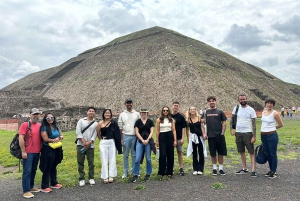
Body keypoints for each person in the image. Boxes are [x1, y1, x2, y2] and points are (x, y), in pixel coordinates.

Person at [230, 95, 257, 177]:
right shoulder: (236, 108)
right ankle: (244, 168)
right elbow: (232, 118)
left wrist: (254, 136)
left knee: (251, 152)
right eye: (241, 99)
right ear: (238, 100)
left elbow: (254, 124)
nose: (242, 100)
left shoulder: (251, 110)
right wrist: (231, 129)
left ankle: (253, 170)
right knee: (241, 151)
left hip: (248, 133)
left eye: (244, 99)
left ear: (246, 99)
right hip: (238, 132)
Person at [19, 108, 42, 198]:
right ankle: (26, 190)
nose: (35, 116)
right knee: (27, 171)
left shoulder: (39, 125)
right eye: (34, 114)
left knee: (33, 170)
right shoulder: (25, 125)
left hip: (37, 152)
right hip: (28, 152)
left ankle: (31, 187)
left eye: (37, 114)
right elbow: (21, 138)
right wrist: (23, 151)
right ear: (30, 115)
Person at [39, 113, 64, 193]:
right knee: (48, 166)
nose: (50, 119)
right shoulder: (44, 127)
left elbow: (61, 135)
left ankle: (54, 182)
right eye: (48, 118)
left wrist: (60, 137)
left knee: (54, 164)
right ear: (45, 119)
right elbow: (45, 139)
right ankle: (44, 186)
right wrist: (54, 140)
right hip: (48, 149)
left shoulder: (55, 126)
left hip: (56, 148)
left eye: (52, 117)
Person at [97, 108, 122, 184]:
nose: (107, 114)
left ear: (111, 114)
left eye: (108, 113)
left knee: (112, 159)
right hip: (104, 141)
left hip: (111, 142)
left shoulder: (113, 123)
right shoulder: (100, 123)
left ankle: (111, 175)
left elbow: (117, 133)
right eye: (106, 113)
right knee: (104, 160)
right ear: (103, 114)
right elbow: (98, 133)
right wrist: (102, 140)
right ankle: (105, 176)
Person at [118, 98, 141, 179]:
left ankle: (134, 170)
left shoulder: (137, 114)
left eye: (130, 103)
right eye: (127, 103)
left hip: (135, 136)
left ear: (132, 104)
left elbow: (139, 125)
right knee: (125, 155)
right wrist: (121, 138)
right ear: (125, 104)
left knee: (134, 155)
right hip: (125, 136)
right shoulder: (122, 114)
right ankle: (125, 171)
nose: (129, 104)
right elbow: (120, 127)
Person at [204, 96, 227, 176]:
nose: (211, 102)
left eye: (213, 101)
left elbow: (224, 122)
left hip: (219, 135)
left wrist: (223, 131)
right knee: (213, 153)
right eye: (210, 101)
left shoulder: (220, 111)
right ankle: (214, 169)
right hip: (210, 135)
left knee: (221, 152)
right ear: (208, 102)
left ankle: (220, 169)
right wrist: (204, 133)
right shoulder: (206, 112)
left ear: (215, 102)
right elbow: (202, 123)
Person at [261, 98, 283, 179]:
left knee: (273, 154)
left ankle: (274, 171)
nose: (269, 105)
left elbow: (281, 124)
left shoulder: (275, 113)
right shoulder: (263, 112)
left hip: (272, 135)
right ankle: (270, 170)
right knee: (267, 153)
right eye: (268, 103)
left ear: (273, 105)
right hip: (263, 135)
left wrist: (272, 128)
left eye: (271, 103)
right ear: (265, 104)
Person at [131, 107, 155, 182]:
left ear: (147, 114)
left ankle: (148, 173)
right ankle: (136, 174)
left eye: (145, 113)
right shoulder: (138, 122)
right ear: (140, 114)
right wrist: (142, 140)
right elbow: (137, 132)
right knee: (137, 158)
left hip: (148, 140)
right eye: (142, 113)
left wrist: (147, 140)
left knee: (148, 158)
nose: (144, 114)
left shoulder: (150, 121)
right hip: (140, 141)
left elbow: (151, 131)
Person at [76, 107, 98, 186]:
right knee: (80, 162)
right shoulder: (81, 121)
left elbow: (95, 134)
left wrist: (90, 142)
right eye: (90, 111)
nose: (91, 112)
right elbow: (78, 132)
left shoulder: (96, 123)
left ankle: (91, 177)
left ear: (94, 113)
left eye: (93, 111)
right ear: (87, 112)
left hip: (90, 145)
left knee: (91, 162)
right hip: (80, 145)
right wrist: (84, 142)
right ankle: (81, 178)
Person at [156, 106, 177, 178]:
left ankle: (169, 171)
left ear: (169, 111)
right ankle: (161, 171)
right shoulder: (159, 120)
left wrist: (175, 140)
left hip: (170, 136)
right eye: (164, 110)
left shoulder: (171, 120)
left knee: (170, 155)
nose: (165, 112)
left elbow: (174, 130)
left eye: (167, 110)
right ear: (162, 111)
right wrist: (157, 140)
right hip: (162, 136)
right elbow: (157, 131)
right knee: (162, 154)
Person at [186, 106, 207, 175]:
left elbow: (202, 126)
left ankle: (200, 169)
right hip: (192, 137)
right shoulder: (188, 120)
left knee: (201, 153)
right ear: (189, 111)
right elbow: (187, 129)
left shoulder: (199, 118)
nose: (192, 110)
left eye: (194, 109)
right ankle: (195, 169)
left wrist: (204, 134)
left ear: (196, 110)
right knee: (194, 153)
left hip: (199, 137)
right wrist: (188, 138)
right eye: (191, 109)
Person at [171, 101, 187, 176]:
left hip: (179, 137)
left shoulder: (181, 116)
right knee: (170, 153)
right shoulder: (169, 116)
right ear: (172, 106)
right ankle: (171, 168)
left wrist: (183, 138)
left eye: (177, 106)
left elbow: (183, 128)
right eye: (174, 105)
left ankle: (181, 168)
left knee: (179, 153)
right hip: (170, 138)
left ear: (179, 107)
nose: (176, 107)